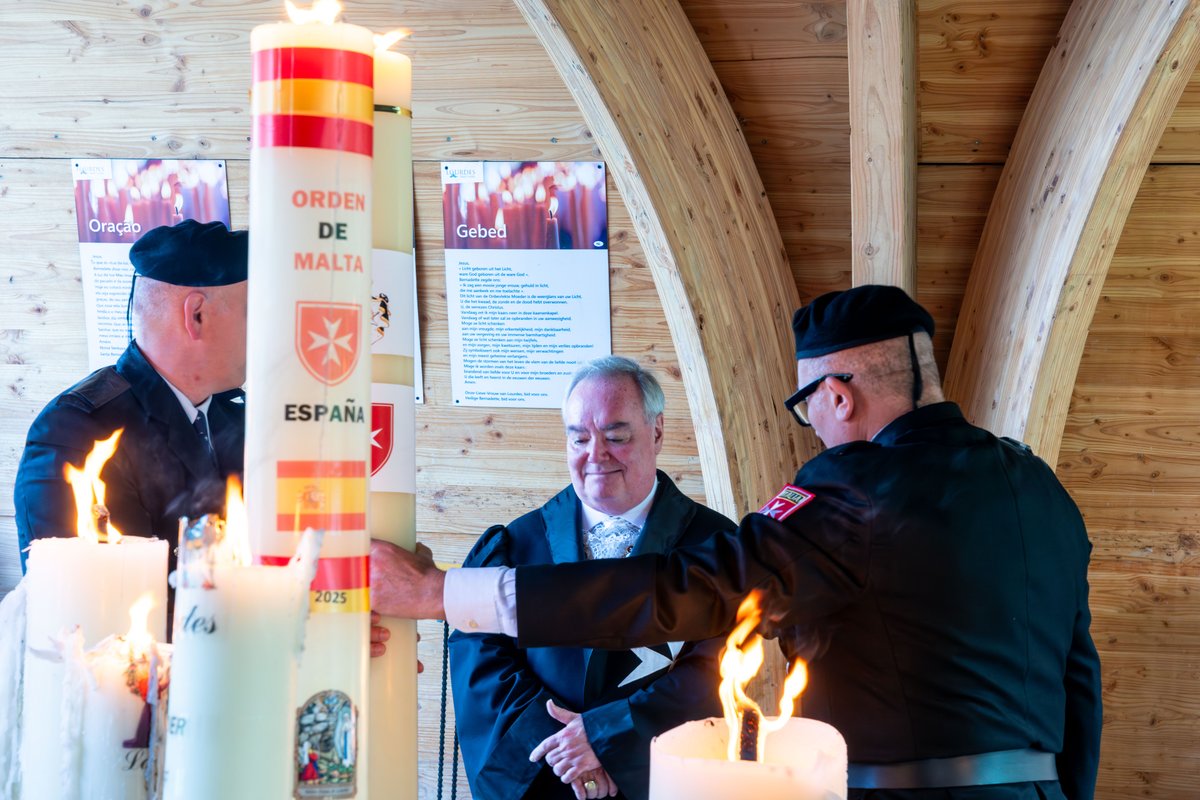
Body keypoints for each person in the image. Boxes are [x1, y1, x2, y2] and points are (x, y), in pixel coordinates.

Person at [371, 285, 1103, 800]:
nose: (812, 424)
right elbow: (1079, 680)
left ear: (837, 395)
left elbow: (693, 592)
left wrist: (440, 594)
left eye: (806, 404)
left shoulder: (853, 491)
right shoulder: (1041, 489)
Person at [447, 356, 734, 800]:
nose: (595, 455)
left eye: (616, 437)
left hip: (662, 775)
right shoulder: (513, 548)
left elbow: (721, 666)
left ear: (657, 432)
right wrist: (565, 749)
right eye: (578, 438)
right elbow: (479, 656)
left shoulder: (718, 546)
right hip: (547, 777)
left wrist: (609, 739)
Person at [14, 219, 247, 574]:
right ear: (196, 315)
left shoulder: (236, 417)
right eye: (253, 313)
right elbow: (101, 602)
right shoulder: (77, 433)